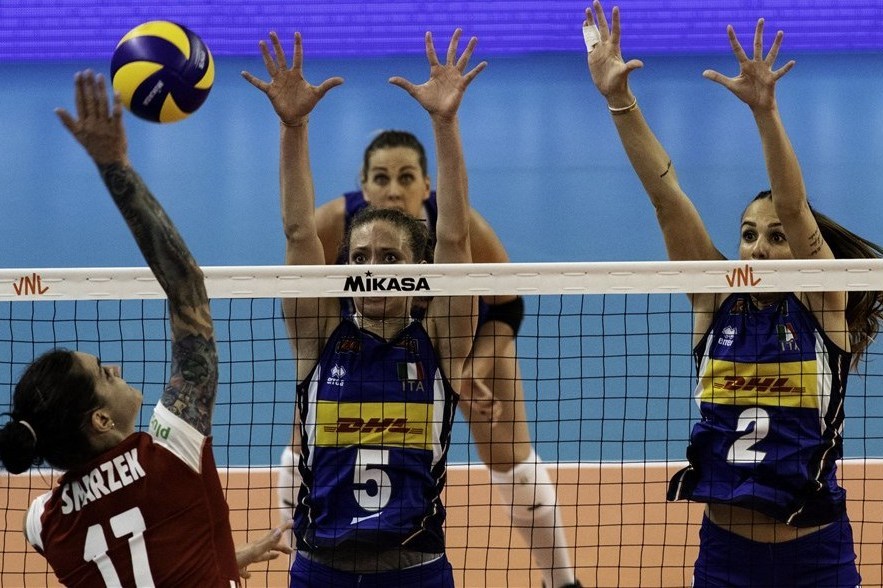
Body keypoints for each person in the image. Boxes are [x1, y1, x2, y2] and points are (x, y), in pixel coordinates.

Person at [585, 2, 883, 586]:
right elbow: (667, 198)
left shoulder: (824, 303)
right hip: (726, 558)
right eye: (748, 236)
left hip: (816, 557)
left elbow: (793, 205)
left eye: (776, 237)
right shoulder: (715, 301)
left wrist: (765, 112)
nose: (757, 250)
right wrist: (619, 101)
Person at [0, 71, 291, 586]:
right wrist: (114, 165)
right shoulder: (172, 450)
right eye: (103, 374)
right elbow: (186, 286)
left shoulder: (43, 523)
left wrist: (221, 557)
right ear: (100, 420)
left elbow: (134, 553)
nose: (114, 366)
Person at [274, 113, 579, 588]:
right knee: (302, 442)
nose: (374, 270)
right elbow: (297, 234)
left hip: (460, 336)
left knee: (510, 454)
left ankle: (562, 581)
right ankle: (297, 551)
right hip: (324, 563)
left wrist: (446, 120)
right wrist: (293, 126)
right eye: (360, 259)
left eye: (390, 258)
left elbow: (479, 271)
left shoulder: (451, 258)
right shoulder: (333, 229)